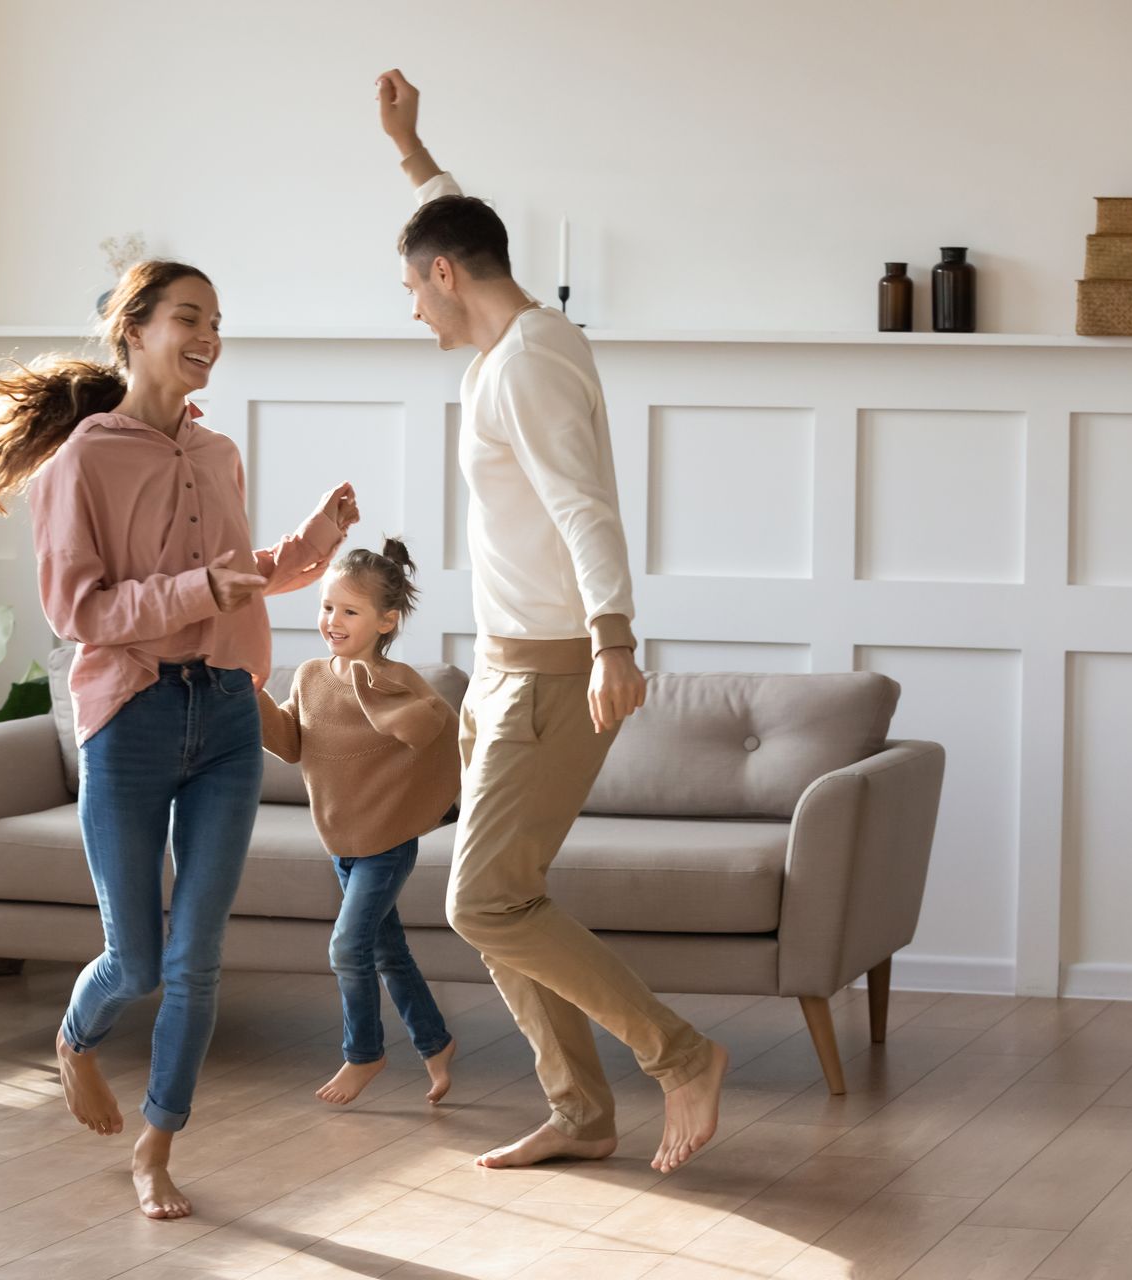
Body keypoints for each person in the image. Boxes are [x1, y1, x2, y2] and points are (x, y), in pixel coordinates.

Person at [373, 70, 730, 1176]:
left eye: (412, 288)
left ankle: (679, 1053)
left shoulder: (524, 365)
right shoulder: (520, 338)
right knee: (498, 900)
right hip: (502, 669)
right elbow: (457, 220)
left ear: (443, 277)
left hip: (552, 671)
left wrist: (616, 641)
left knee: (482, 895)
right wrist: (411, 149)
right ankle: (578, 1110)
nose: (411, 307)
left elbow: (585, 508)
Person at [0, 260, 359, 1218]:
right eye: (190, 317)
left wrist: (305, 549)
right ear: (132, 329)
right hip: (130, 721)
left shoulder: (218, 455)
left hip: (223, 714)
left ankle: (157, 1148)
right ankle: (74, 1038)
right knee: (134, 961)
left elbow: (230, 576)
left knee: (195, 961)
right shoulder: (83, 462)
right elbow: (76, 610)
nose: (209, 333)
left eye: (218, 319)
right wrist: (196, 592)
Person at [257, 540, 460, 1107]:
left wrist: (373, 692)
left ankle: (362, 1053)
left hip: (386, 842)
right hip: (340, 839)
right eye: (327, 607)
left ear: (386, 620)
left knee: (347, 948)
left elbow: (427, 728)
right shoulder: (310, 675)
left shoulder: (399, 680)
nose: (332, 621)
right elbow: (292, 743)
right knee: (386, 951)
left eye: (349, 611)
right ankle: (436, 1044)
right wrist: (253, 701)